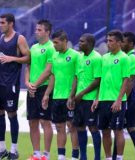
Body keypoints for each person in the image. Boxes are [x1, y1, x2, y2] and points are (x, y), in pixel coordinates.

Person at [0, 13, 30, 160]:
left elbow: (28, 57)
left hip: (10, 83)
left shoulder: (19, 38)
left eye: (3, 23)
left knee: (11, 114)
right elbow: (1, 57)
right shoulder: (1, 38)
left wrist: (12, 58)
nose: (0, 25)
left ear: (11, 24)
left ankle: (14, 150)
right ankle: (2, 149)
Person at [42, 30, 79, 160]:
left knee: (72, 126)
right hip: (57, 97)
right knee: (59, 127)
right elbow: (53, 76)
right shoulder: (55, 56)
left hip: (69, 98)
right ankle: (61, 156)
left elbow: (77, 77)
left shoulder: (75, 56)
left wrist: (72, 95)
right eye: (53, 43)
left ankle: (74, 156)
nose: (54, 45)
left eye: (56, 42)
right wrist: (47, 94)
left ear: (65, 41)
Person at [95, 30, 130, 160]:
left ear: (119, 42)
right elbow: (101, 80)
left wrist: (119, 100)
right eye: (107, 40)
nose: (108, 43)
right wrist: (97, 98)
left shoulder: (124, 58)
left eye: (111, 41)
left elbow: (126, 80)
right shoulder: (104, 58)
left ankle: (119, 158)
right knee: (105, 131)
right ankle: (108, 157)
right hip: (104, 100)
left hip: (117, 100)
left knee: (118, 130)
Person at [69, 33, 101, 160]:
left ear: (90, 44)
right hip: (78, 100)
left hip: (90, 100)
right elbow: (76, 78)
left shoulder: (97, 58)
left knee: (93, 127)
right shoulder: (79, 57)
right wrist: (72, 96)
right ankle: (83, 157)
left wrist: (82, 93)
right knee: (79, 126)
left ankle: (97, 157)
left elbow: (98, 80)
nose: (79, 43)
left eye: (82, 41)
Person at [25, 19, 54, 160]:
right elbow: (28, 67)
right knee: (32, 121)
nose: (36, 32)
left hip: (43, 88)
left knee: (45, 121)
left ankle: (46, 155)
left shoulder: (51, 48)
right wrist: (27, 82)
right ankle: (36, 154)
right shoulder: (33, 47)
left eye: (39, 30)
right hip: (32, 89)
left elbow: (48, 71)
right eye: (36, 29)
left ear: (47, 32)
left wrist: (35, 84)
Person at [115, 32, 135, 160]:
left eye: (124, 41)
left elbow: (130, 81)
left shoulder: (132, 57)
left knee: (130, 128)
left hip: (129, 97)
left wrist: (122, 100)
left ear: (131, 43)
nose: (121, 44)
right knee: (119, 128)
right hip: (126, 97)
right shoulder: (126, 56)